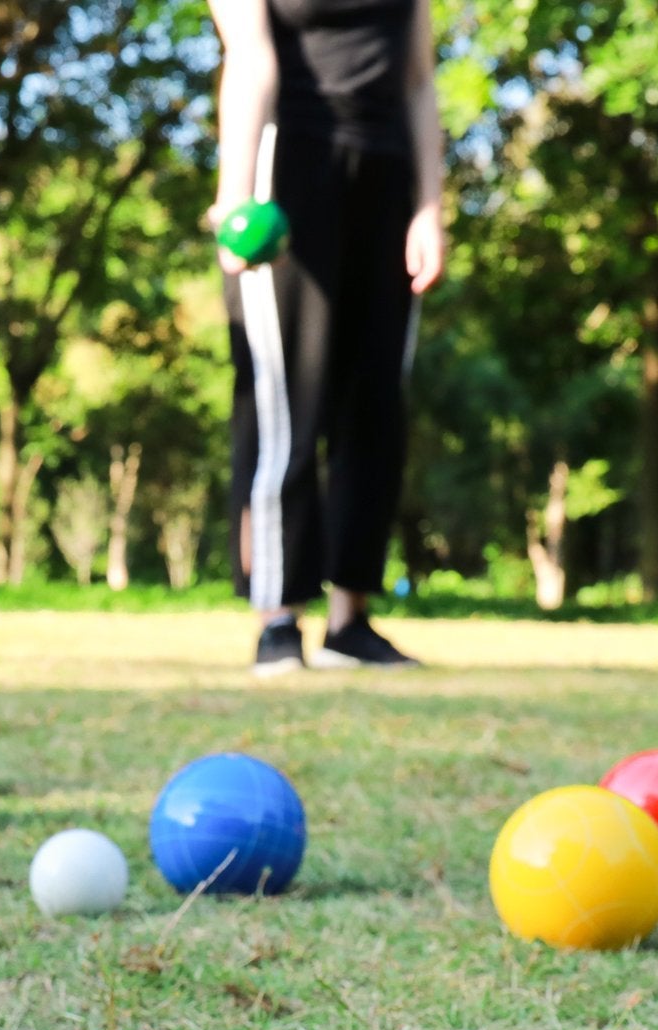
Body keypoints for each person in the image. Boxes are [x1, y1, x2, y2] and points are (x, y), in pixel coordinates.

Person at [208, 0, 445, 673]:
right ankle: (277, 617)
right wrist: (235, 197)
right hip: (287, 169)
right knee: (283, 397)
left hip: (387, 170)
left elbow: (420, 83)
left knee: (376, 405)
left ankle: (351, 621)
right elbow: (251, 61)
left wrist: (430, 207)